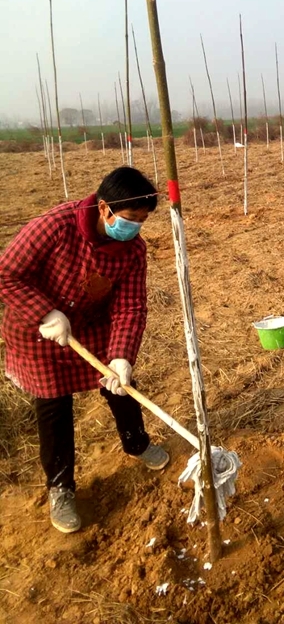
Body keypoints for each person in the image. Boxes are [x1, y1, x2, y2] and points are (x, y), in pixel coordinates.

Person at [0, 167, 168, 535]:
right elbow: (6, 273)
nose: (135, 228)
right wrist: (43, 310)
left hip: (90, 329)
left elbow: (130, 307)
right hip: (39, 334)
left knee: (121, 386)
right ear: (105, 208)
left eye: (142, 221)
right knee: (54, 408)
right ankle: (61, 488)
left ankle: (137, 444)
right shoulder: (57, 225)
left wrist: (122, 355)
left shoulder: (132, 251)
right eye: (130, 219)